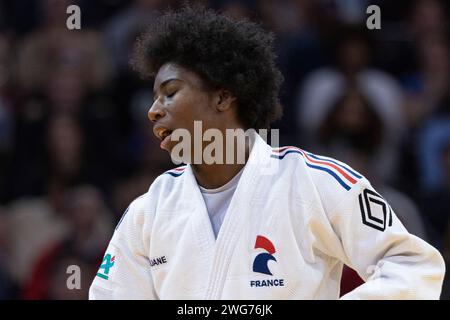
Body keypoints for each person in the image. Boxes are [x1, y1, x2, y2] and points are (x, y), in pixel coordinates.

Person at [89, 5, 445, 300]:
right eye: (154, 97)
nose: (153, 110)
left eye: (169, 92)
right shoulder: (148, 210)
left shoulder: (313, 183)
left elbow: (413, 265)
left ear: (223, 97)